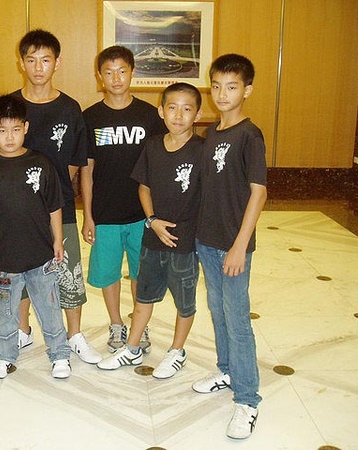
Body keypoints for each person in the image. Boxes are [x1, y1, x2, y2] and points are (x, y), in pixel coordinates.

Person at [0, 29, 101, 364]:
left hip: (59, 206)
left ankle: (74, 334)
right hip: (15, 212)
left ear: (57, 63)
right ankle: (23, 331)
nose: (38, 67)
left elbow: (76, 162)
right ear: (21, 63)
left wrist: (52, 194)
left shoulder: (70, 108)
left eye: (45, 60)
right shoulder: (10, 107)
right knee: (20, 273)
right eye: (32, 60)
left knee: (68, 272)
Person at [97, 83, 203, 377]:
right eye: (172, 108)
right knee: (143, 295)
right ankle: (132, 348)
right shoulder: (153, 146)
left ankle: (177, 351)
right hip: (152, 237)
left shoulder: (202, 150)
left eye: (187, 109)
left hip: (184, 242)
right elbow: (144, 187)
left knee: (185, 301)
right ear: (161, 111)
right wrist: (152, 220)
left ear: (197, 114)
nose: (178, 115)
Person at [191, 54, 267, 440]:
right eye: (217, 86)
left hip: (232, 245)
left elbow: (259, 193)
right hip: (207, 240)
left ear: (247, 90)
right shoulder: (211, 134)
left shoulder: (250, 135)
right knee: (217, 311)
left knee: (237, 321)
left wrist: (240, 246)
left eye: (232, 87)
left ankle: (248, 399)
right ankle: (226, 370)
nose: (222, 94)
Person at [0, 94, 72, 379]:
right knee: (3, 310)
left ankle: (60, 354)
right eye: (2, 130)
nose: (9, 137)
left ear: (26, 128)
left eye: (16, 129)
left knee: (49, 307)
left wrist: (57, 240)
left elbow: (54, 206)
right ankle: (4, 356)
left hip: (40, 254)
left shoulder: (41, 163)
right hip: (2, 257)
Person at [81, 45, 166, 354]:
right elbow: (87, 171)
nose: (116, 78)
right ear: (99, 76)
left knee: (142, 274)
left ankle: (140, 324)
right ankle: (116, 323)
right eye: (109, 72)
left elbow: (159, 166)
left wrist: (157, 214)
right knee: (109, 274)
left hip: (142, 214)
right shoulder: (90, 117)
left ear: (132, 73)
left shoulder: (149, 116)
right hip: (105, 214)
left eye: (122, 71)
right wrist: (88, 215)